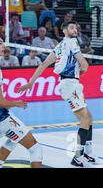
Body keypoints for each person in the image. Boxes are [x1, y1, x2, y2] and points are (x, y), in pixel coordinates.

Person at [19, 21, 94, 167]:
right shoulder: (72, 43)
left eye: (76, 27)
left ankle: (87, 154)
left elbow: (43, 64)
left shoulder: (59, 46)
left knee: (89, 118)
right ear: (64, 30)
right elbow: (85, 64)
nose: (75, 30)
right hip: (70, 85)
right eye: (72, 28)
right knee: (85, 120)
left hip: (70, 84)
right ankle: (78, 157)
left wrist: (31, 82)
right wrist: (83, 69)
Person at [0, 39, 42, 168]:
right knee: (35, 149)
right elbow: (1, 102)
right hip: (3, 120)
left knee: (14, 138)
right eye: (0, 43)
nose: (4, 45)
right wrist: (17, 103)